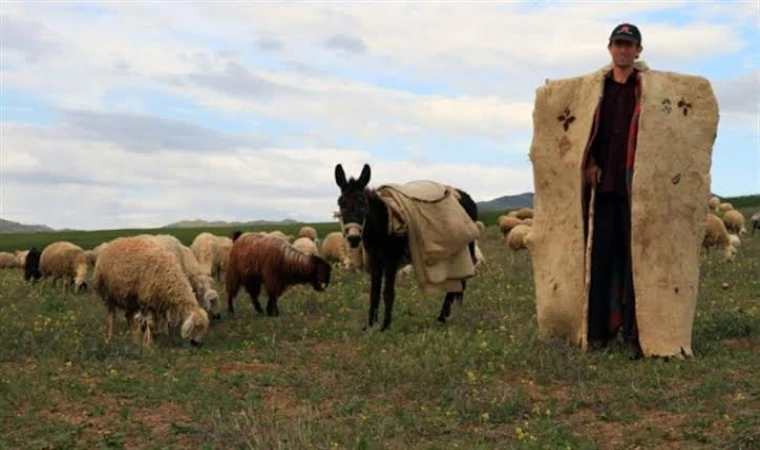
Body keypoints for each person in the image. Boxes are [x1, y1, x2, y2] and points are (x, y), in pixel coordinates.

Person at [583, 23, 644, 359]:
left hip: (637, 193)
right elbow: (582, 132)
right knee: (601, 260)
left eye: (629, 45)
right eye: (618, 44)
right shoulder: (597, 91)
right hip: (604, 190)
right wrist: (589, 160)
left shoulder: (646, 89)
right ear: (610, 49)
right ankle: (598, 333)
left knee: (637, 263)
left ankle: (635, 334)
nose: (623, 50)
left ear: (638, 51)